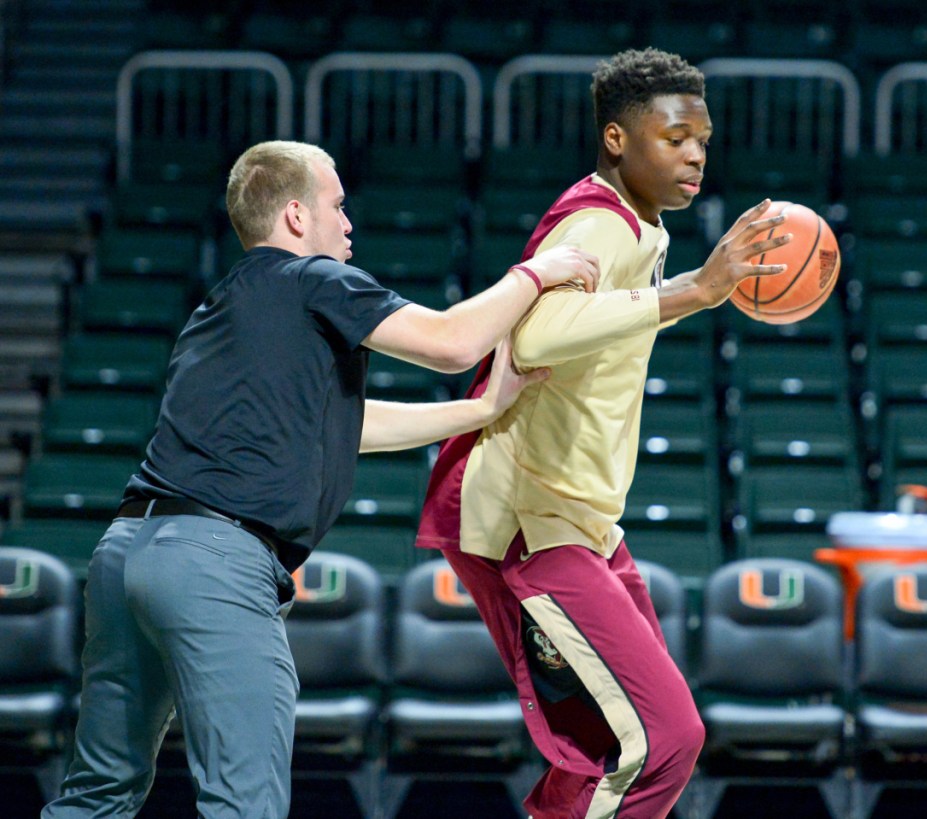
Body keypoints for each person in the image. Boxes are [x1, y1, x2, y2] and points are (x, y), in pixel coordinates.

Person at [42, 140, 599, 818]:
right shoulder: (313, 279)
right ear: (298, 217)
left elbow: (345, 426)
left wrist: (479, 409)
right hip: (215, 561)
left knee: (97, 791)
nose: (349, 223)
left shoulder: (215, 312)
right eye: (338, 205)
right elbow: (454, 341)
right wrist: (536, 274)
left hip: (123, 554)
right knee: (244, 803)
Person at [416, 48, 793, 818]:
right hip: (526, 524)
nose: (695, 154)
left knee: (600, 752)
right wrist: (696, 290)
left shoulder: (640, 227)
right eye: (675, 137)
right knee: (662, 738)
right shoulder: (599, 220)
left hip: (581, 523)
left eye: (704, 140)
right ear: (617, 139)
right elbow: (534, 339)